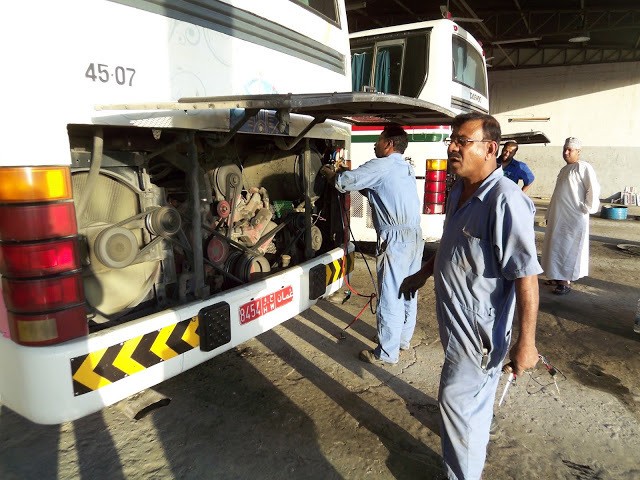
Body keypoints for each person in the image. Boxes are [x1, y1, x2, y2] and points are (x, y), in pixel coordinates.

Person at [399, 112, 541, 480]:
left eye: (462, 140)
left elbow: (526, 277)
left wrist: (527, 342)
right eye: (453, 140)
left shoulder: (505, 201)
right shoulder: (458, 191)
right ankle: (468, 462)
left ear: (490, 148)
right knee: (470, 406)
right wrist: (422, 274)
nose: (452, 147)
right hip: (455, 323)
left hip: (479, 331)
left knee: (456, 402)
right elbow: (450, 246)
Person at [320, 125, 423, 365]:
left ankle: (387, 353)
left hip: (395, 240)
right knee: (408, 290)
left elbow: (344, 182)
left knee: (390, 294)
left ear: (388, 144)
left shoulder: (382, 165)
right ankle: (401, 340)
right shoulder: (404, 166)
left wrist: (331, 174)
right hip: (414, 237)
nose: (375, 145)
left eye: (378, 140)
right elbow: (378, 190)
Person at [541, 137, 600, 295]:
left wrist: (586, 208)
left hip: (573, 218)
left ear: (578, 152)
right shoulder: (564, 169)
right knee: (555, 246)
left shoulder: (584, 167)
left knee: (568, 248)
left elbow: (592, 189)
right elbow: (557, 195)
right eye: (564, 149)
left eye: (570, 150)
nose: (566, 152)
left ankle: (565, 281)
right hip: (558, 216)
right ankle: (556, 275)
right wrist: (549, 213)